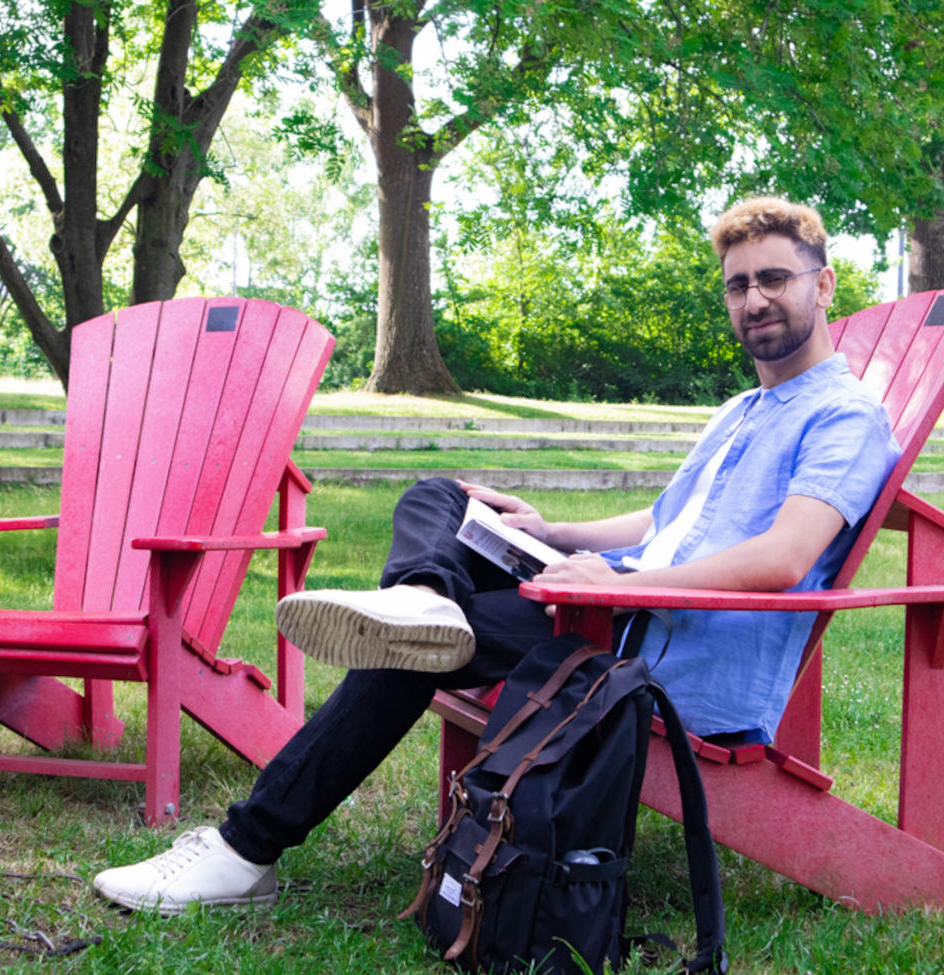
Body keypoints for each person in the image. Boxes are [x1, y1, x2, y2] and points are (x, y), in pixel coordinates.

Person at [92, 196, 901, 915]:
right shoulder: (744, 409)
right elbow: (661, 521)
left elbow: (784, 559)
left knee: (411, 655)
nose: (754, 299)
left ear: (822, 285)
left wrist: (629, 586)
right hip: (623, 604)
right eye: (738, 284)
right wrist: (550, 533)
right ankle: (422, 596)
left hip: (659, 654)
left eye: (774, 279)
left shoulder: (843, 417)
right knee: (446, 498)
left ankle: (245, 850)